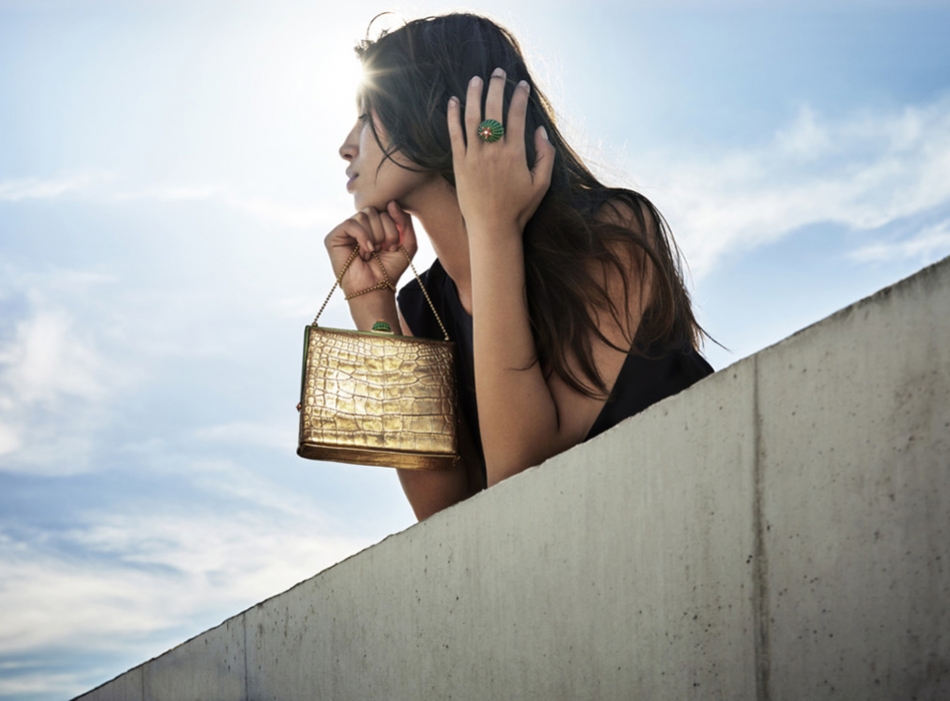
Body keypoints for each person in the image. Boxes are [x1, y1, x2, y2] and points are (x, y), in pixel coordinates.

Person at [325, 13, 713, 521]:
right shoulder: (419, 308)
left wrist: (493, 226)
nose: (346, 146)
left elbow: (520, 476)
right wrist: (371, 302)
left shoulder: (610, 234)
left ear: (440, 108)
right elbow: (443, 518)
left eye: (368, 114)